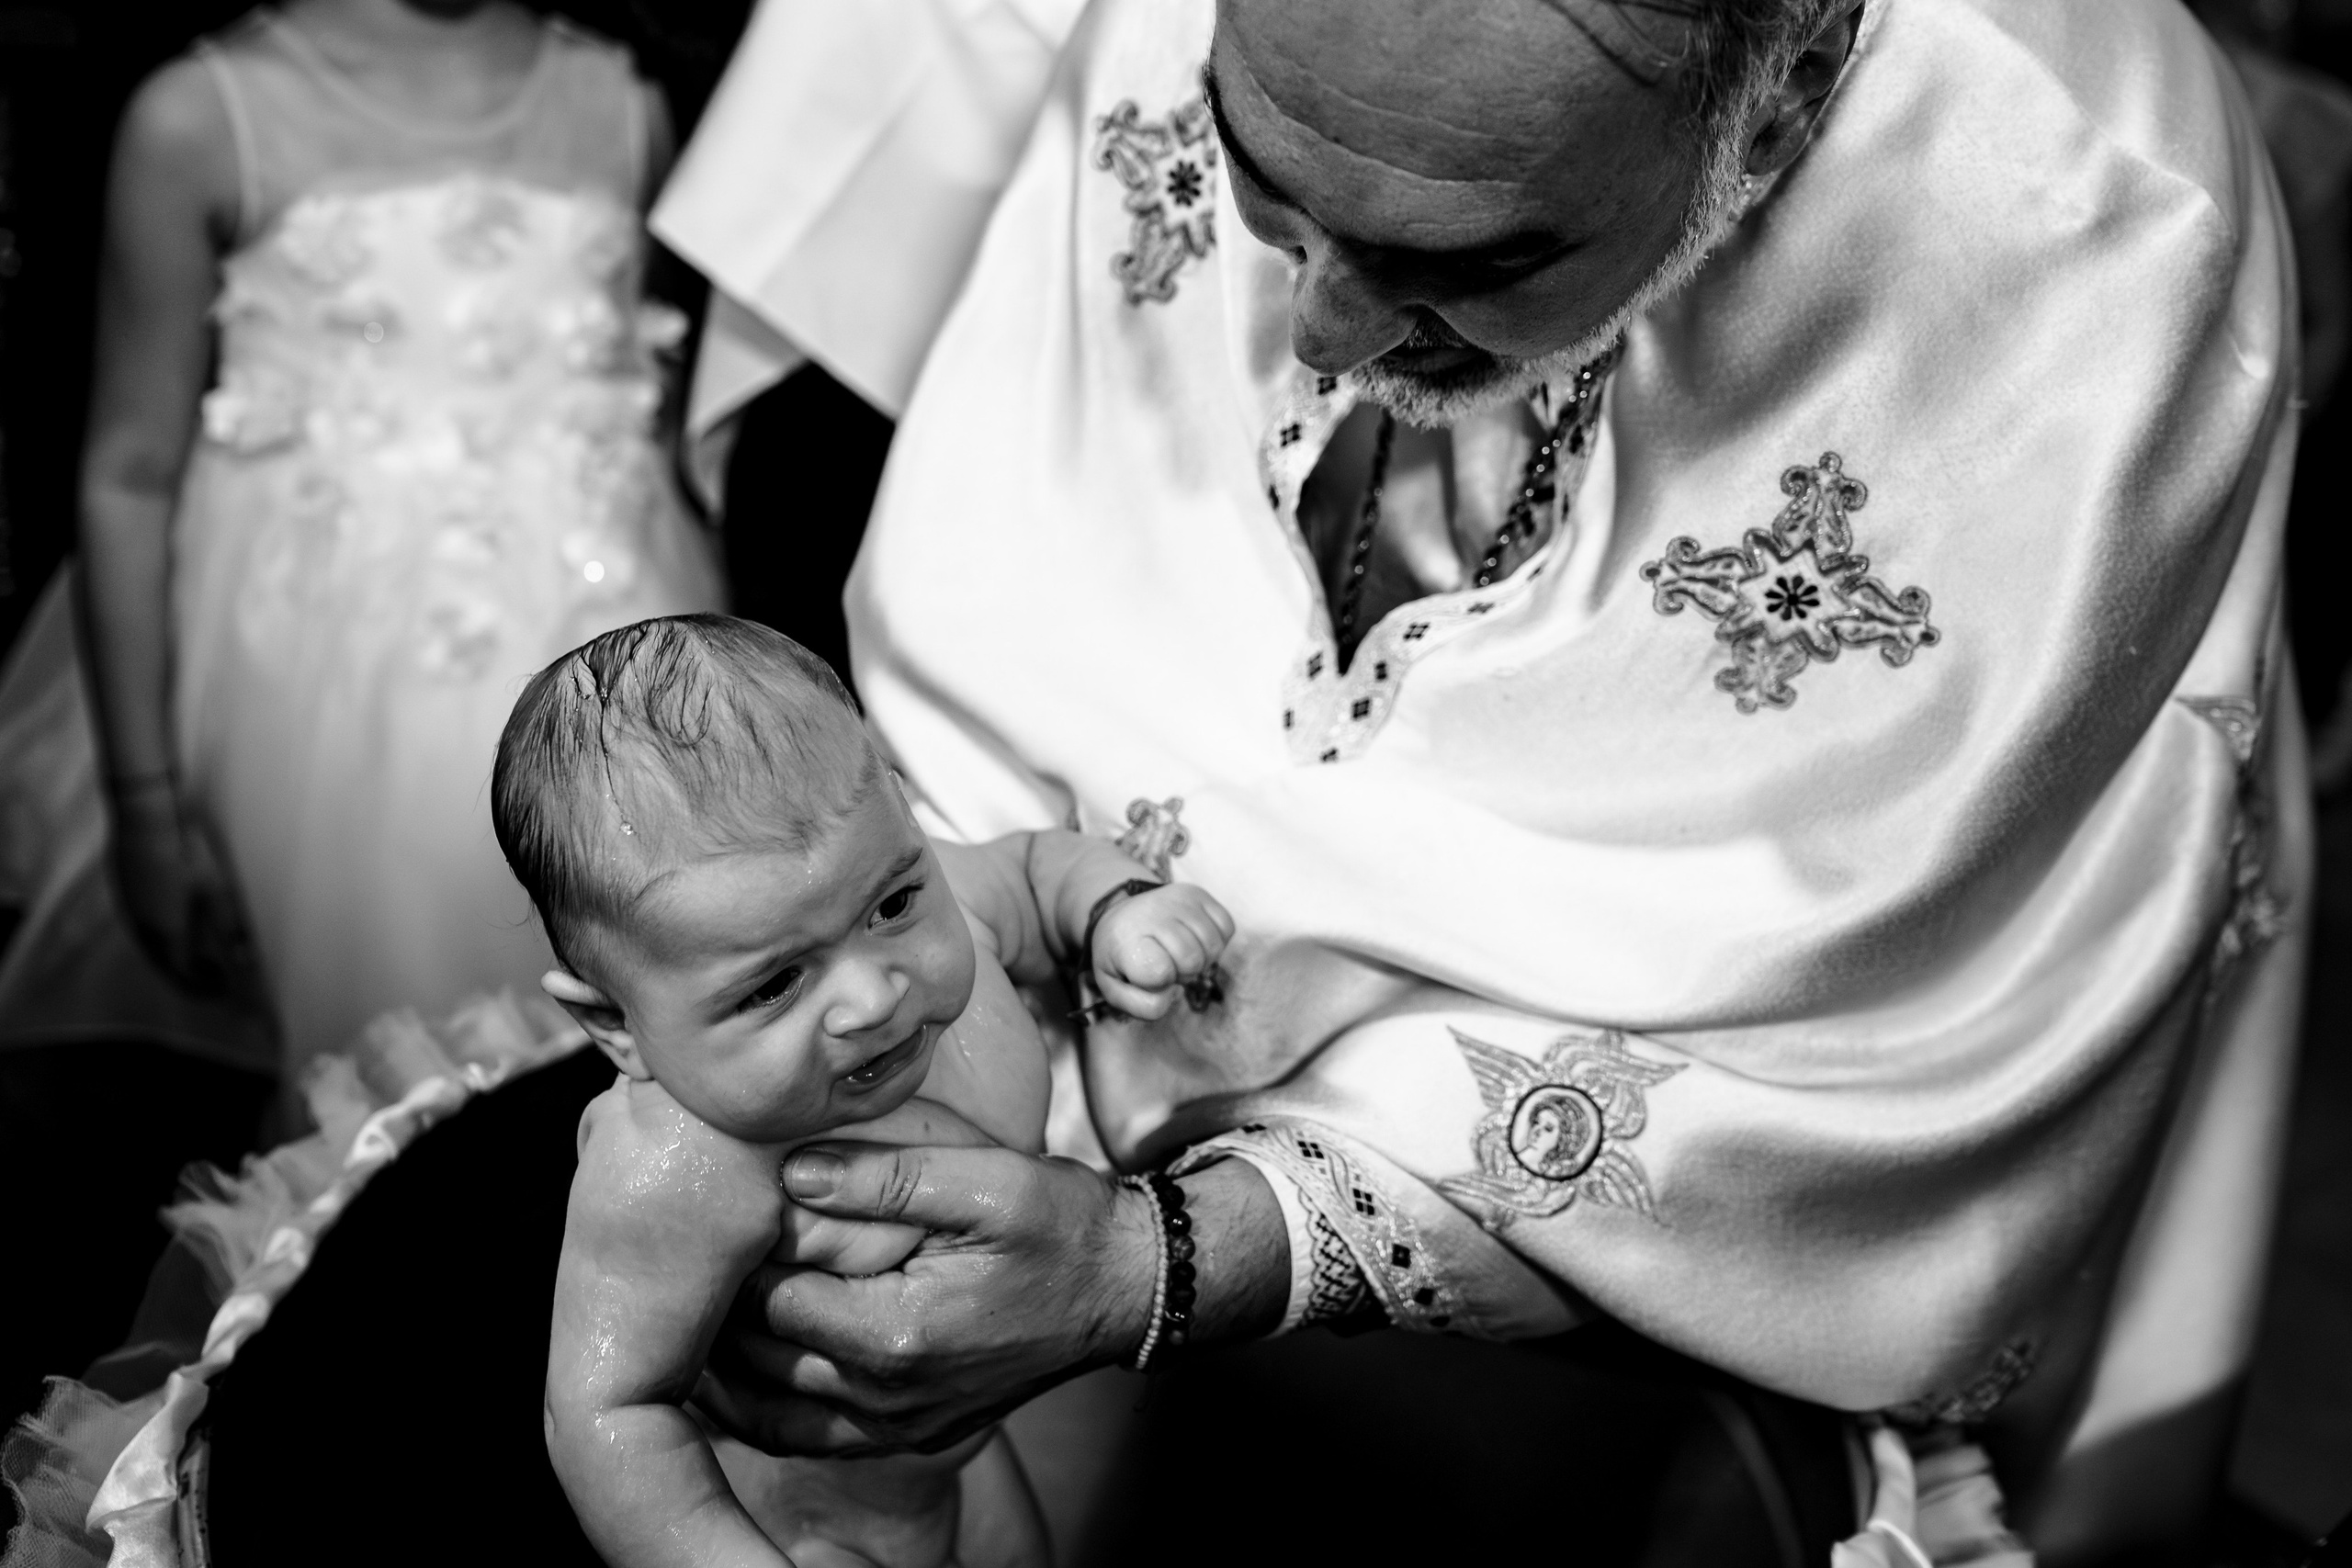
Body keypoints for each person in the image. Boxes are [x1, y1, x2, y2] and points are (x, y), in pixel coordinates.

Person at [648, 0, 2308, 1558]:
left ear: (1786, 92)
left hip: (1661, 1269)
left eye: (1472, 258)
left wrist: (1165, 1258)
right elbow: (1032, 584)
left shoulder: (2082, 226)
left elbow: (1849, 1040)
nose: (1317, 330)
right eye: (1263, 178)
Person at [0, 0, 721, 1092]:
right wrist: (144, 805)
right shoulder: (203, 117)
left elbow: (644, 418)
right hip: (314, 694)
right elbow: (128, 474)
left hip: (604, 643)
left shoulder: (622, 105)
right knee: (383, 1082)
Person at [502, 615, 1230, 1568]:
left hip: (959, 1455)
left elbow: (1028, 866)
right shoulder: (672, 1168)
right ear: (616, 1029)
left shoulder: (932, 893)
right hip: (804, 1517)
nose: (875, 996)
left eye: (892, 904)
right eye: (774, 985)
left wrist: (1114, 910)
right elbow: (605, 1416)